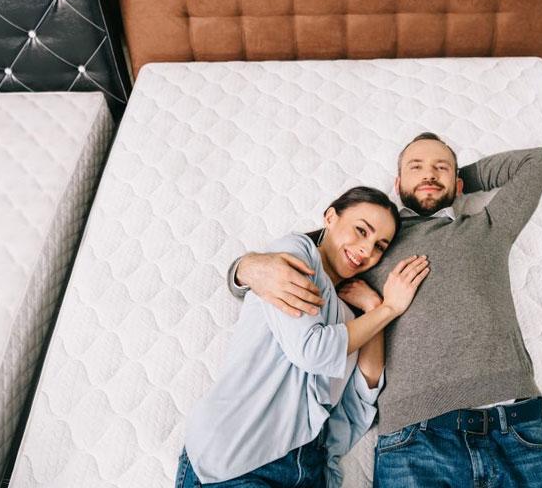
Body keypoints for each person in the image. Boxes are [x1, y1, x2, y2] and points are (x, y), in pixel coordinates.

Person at [230, 133, 542, 487]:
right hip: (414, 434)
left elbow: (535, 162)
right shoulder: (372, 243)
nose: (429, 174)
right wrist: (243, 269)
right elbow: (299, 258)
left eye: (441, 168)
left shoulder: (488, 229)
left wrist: (452, 181)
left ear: (458, 183)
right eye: (415, 167)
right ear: (397, 183)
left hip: (512, 422)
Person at [176, 186, 430, 487]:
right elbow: (312, 351)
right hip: (239, 458)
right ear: (330, 217)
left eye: (379, 246)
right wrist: (389, 309)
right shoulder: (296, 254)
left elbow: (365, 390)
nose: (366, 250)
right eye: (361, 230)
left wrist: (374, 307)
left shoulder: (352, 318)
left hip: (308, 470)